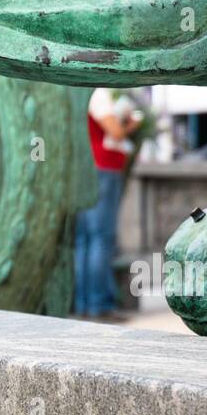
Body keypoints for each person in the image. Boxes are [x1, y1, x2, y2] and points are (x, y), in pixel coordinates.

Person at [75, 87, 143, 318]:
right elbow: (115, 131)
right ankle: (100, 304)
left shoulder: (78, 94)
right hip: (103, 168)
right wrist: (131, 124)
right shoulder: (98, 95)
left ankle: (84, 302)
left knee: (85, 239)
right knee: (101, 237)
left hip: (86, 169)